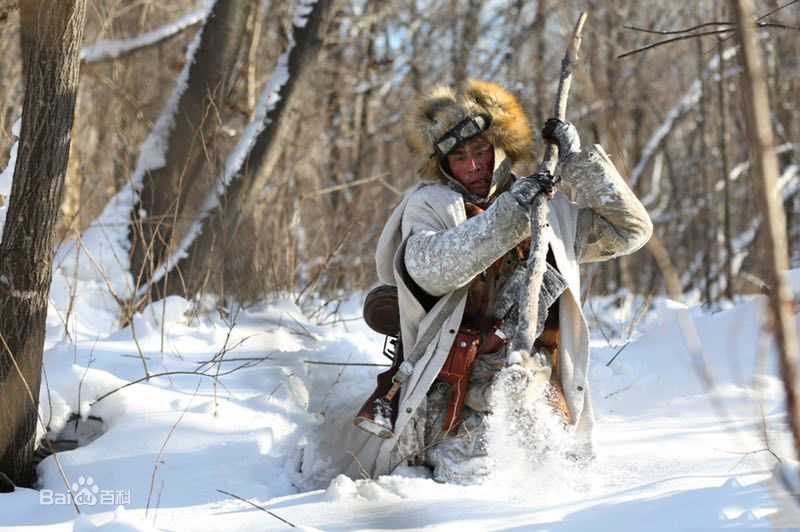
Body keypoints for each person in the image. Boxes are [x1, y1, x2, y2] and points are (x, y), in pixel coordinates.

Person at [322, 80, 652, 485]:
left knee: (549, 484)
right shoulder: (429, 207)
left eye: (481, 151)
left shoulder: (546, 208)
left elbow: (631, 231)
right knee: (463, 488)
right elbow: (437, 268)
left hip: (531, 381)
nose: (474, 166)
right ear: (443, 165)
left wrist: (579, 164)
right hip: (450, 391)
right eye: (459, 157)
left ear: (501, 151)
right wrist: (511, 215)